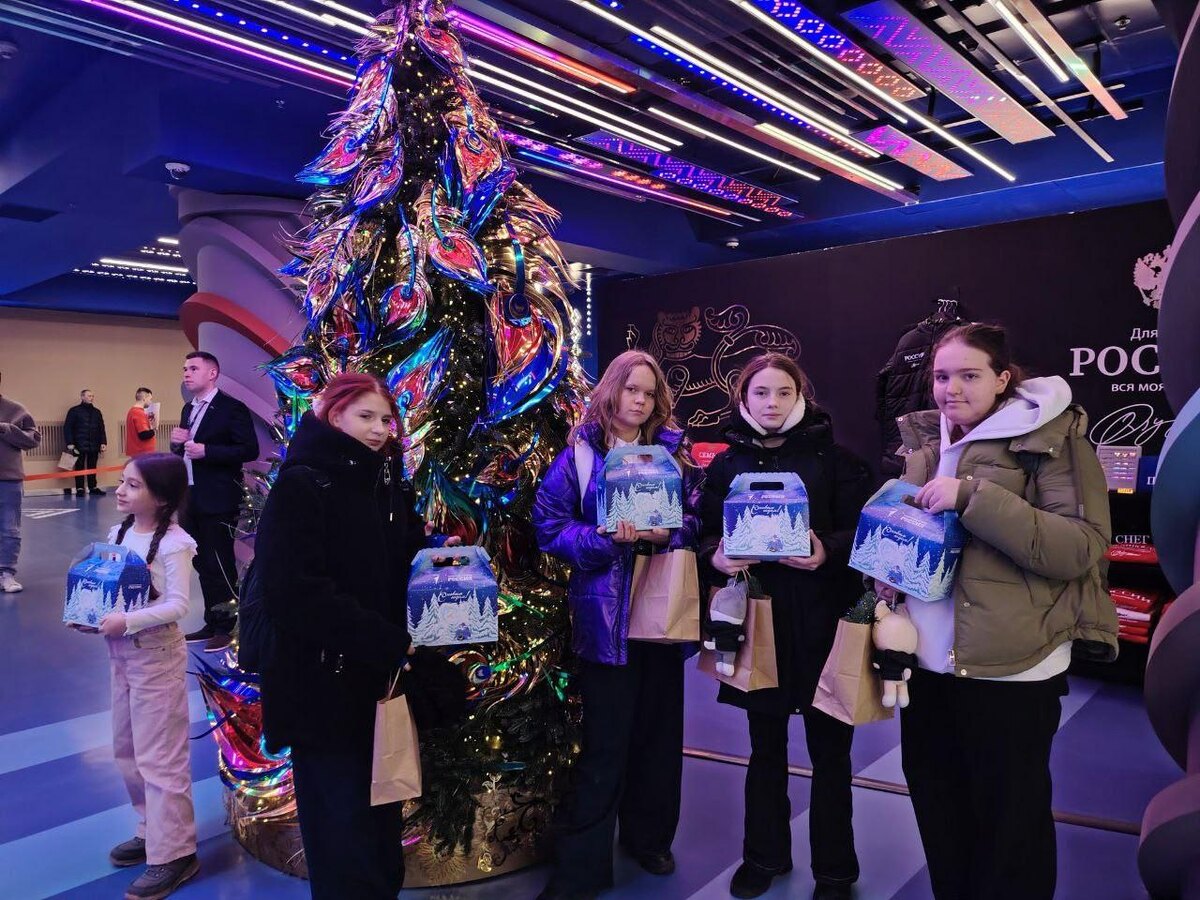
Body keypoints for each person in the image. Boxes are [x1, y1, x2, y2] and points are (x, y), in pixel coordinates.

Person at [891, 323, 1117, 900]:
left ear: (1003, 378)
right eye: (942, 376)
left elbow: (1081, 547)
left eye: (969, 375)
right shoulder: (926, 444)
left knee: (1010, 827)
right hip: (927, 666)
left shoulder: (1053, 439)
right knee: (940, 813)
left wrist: (974, 498)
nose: (952, 389)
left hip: (1013, 670)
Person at [698, 352, 871, 900]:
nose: (771, 403)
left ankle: (835, 871)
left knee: (831, 755)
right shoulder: (725, 467)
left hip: (825, 624)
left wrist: (827, 551)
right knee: (764, 747)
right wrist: (717, 556)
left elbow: (865, 533)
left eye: (782, 392)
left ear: (800, 397)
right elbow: (703, 534)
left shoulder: (838, 461)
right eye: (760, 393)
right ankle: (764, 856)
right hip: (758, 623)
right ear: (743, 399)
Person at [254, 373, 431, 899]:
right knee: (340, 828)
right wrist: (384, 639)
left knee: (377, 820)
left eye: (386, 419)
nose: (379, 429)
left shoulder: (382, 481)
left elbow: (388, 556)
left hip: (374, 682)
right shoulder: (304, 483)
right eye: (365, 416)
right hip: (322, 688)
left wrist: (433, 552)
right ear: (334, 415)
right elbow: (296, 593)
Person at [533, 349, 699, 900]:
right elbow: (550, 526)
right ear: (611, 391)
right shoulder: (580, 456)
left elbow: (697, 517)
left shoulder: (673, 454)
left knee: (659, 736)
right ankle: (582, 868)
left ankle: (650, 839)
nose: (641, 401)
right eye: (632, 389)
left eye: (650, 393)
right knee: (604, 745)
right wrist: (602, 540)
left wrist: (669, 532)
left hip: (662, 614)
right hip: (605, 619)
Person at [68, 452, 199, 899]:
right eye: (122, 482)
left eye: (133, 485)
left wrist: (128, 621)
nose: (121, 490)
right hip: (121, 654)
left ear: (161, 498)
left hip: (156, 655)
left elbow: (178, 604)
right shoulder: (120, 533)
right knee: (126, 749)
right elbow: (111, 587)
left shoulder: (176, 544)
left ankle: (176, 852)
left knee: (160, 757)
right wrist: (91, 616)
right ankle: (151, 830)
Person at [169, 351, 257, 653]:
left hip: (218, 497)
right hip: (190, 496)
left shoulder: (232, 408)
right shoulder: (189, 408)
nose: (186, 373)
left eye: (193, 368)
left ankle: (228, 626)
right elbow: (185, 451)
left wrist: (208, 451)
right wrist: (176, 444)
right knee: (200, 561)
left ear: (212, 373)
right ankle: (212, 620)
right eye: (185, 368)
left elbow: (248, 449)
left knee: (219, 562)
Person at [0, 371, 41, 593]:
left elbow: (33, 439)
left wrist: (7, 429)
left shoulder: (15, 409)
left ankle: (6, 573)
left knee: (9, 528)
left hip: (8, 480)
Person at [64, 389, 108, 496]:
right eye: (89, 396)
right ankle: (80, 488)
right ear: (82, 397)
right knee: (79, 466)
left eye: (92, 396)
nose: (91, 398)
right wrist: (70, 443)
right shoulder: (74, 411)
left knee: (92, 466)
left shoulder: (97, 412)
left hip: (94, 444)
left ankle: (93, 487)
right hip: (78, 444)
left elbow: (101, 428)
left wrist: (103, 442)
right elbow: (67, 427)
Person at [126, 388, 158, 458]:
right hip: (143, 453)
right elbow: (144, 434)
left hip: (138, 452)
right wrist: (154, 429)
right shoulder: (139, 413)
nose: (151, 402)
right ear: (144, 398)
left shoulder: (132, 411)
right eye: (150, 399)